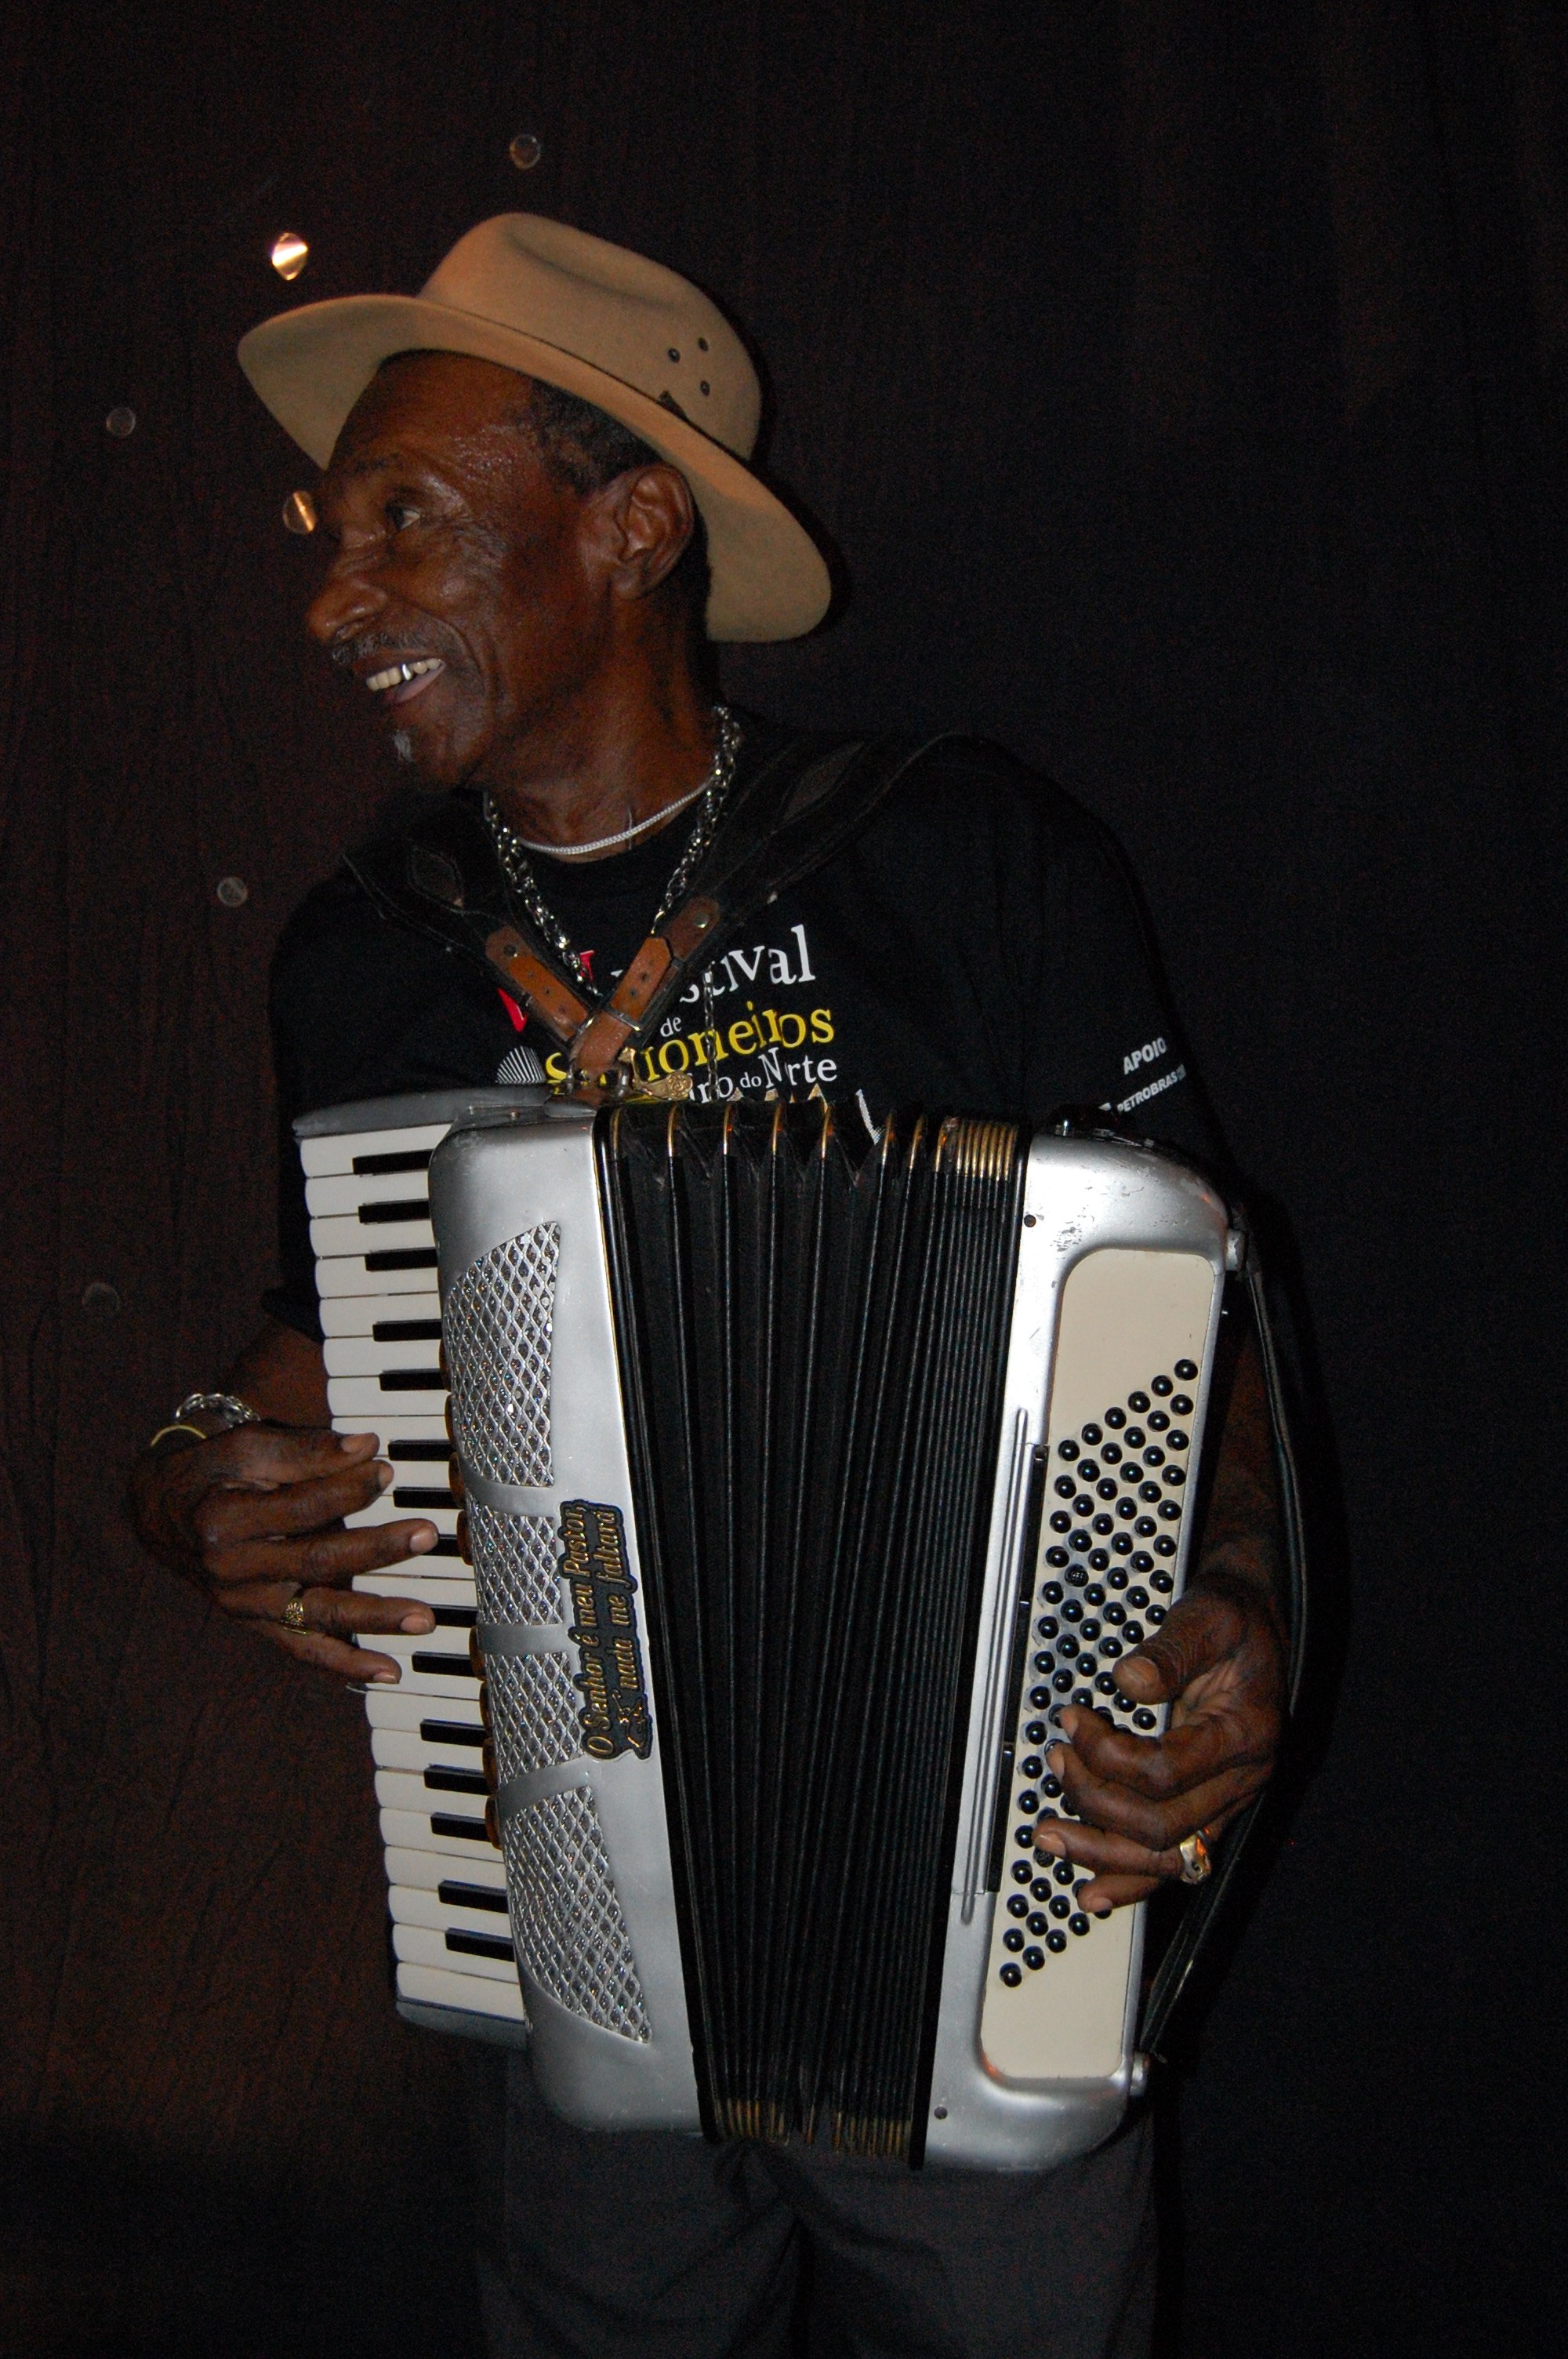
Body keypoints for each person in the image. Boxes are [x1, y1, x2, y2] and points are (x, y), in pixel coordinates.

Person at [129, 214, 1287, 2359]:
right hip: (568, 1922)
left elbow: (1194, 1315)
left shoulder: (959, 858)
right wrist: (197, 1475)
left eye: (407, 517)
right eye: (329, 530)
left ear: (633, 525)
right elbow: (302, 1358)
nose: (333, 598)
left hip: (986, 1895)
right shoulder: (364, 951)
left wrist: (1231, 1609)